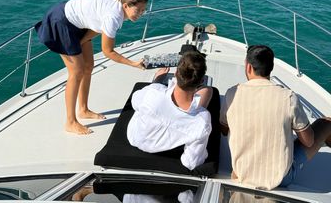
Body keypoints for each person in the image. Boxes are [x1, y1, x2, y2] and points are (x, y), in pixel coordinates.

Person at [35, 0, 148, 135]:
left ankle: (83, 109)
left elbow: (97, 25)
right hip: (61, 22)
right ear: (126, 5)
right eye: (138, 10)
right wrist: (133, 64)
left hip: (78, 24)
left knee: (88, 66)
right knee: (77, 72)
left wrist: (81, 41)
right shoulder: (113, 17)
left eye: (143, 10)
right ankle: (70, 122)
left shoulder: (118, 8)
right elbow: (108, 51)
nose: (140, 14)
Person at [220, 45, 331, 190]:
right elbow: (309, 142)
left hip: (242, 173)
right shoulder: (288, 97)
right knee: (327, 123)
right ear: (271, 68)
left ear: (248, 67)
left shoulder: (231, 94)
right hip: (280, 179)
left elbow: (223, 129)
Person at [127, 51, 213, 171]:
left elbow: (135, 102)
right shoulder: (201, 122)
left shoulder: (153, 93)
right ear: (201, 80)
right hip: (168, 150)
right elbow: (191, 163)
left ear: (176, 73)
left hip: (135, 139)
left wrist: (156, 82)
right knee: (208, 91)